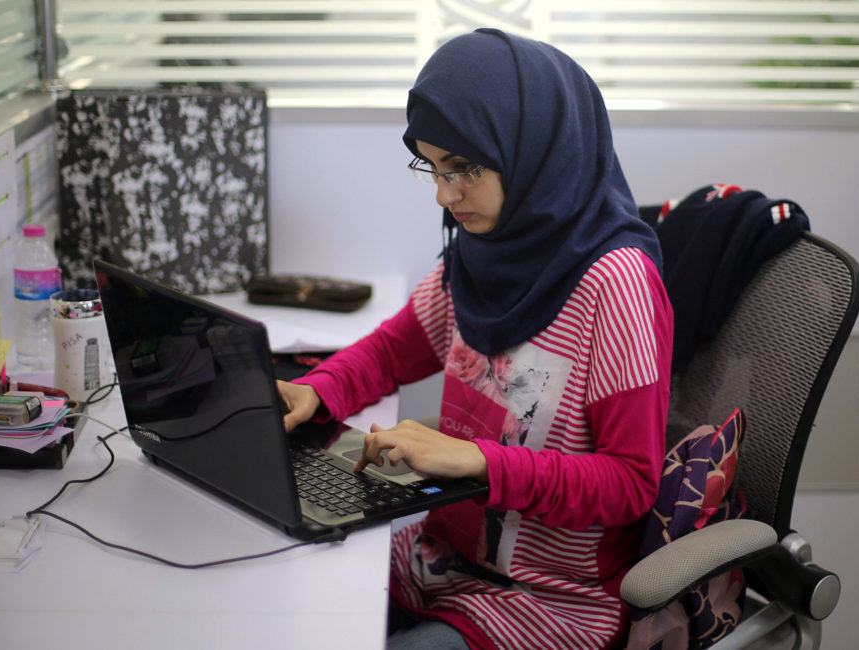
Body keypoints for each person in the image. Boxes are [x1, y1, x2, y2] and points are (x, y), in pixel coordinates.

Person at [278, 28, 673, 649]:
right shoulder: (481, 250)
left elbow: (629, 484)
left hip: (549, 600)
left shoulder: (617, 285)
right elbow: (392, 349)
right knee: (288, 606)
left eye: (464, 169)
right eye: (432, 169)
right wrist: (317, 390)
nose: (444, 194)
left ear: (536, 151)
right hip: (442, 557)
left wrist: (482, 463)